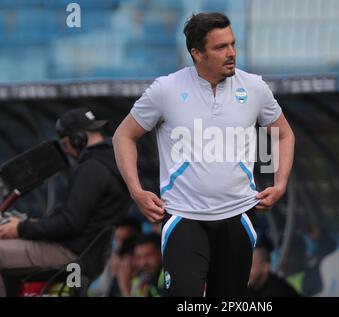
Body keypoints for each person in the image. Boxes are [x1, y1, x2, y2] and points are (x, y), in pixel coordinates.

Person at [113, 12, 295, 297]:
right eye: (220, 47)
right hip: (184, 217)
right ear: (196, 53)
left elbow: (283, 134)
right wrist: (136, 190)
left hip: (238, 216)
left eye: (232, 44)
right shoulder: (166, 90)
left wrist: (280, 182)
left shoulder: (255, 88)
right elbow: (123, 136)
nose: (231, 53)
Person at [0, 107, 131, 296]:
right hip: (87, 254)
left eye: (66, 144)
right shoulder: (113, 164)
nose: (67, 151)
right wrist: (32, 225)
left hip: (69, 253)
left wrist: (21, 228)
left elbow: (70, 223)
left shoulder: (91, 169)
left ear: (78, 138)